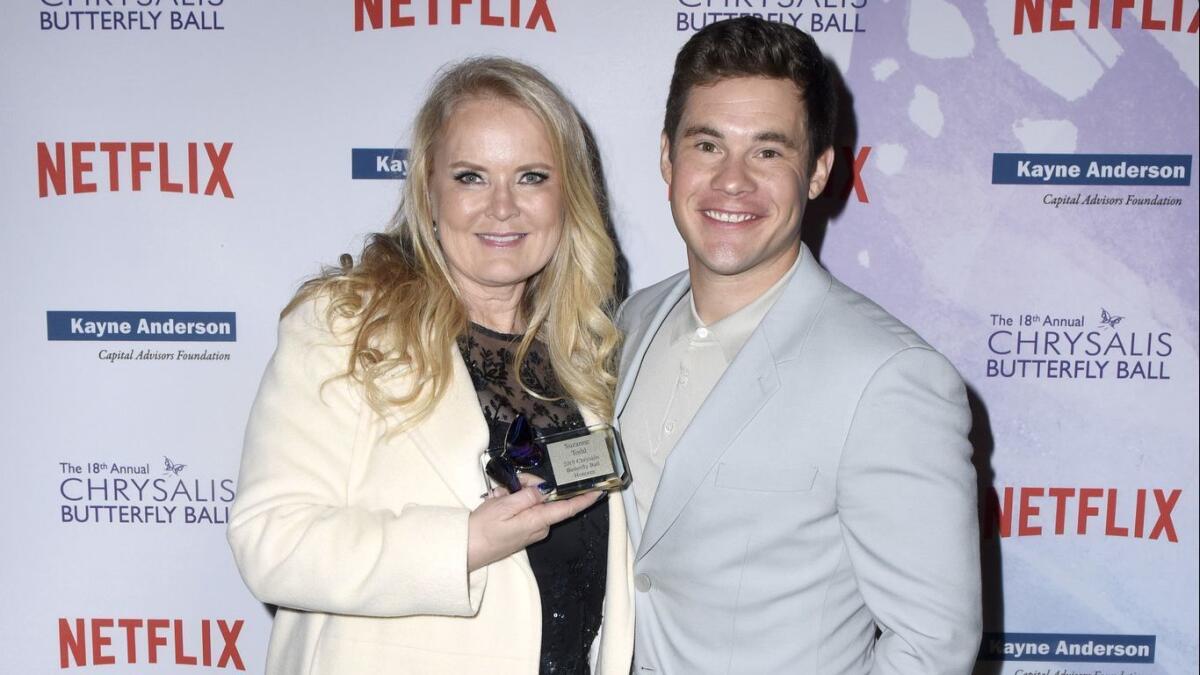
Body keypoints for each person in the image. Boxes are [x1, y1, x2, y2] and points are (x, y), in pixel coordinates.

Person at [228, 57, 633, 675]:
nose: (503, 207)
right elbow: (271, 542)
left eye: (530, 177)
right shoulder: (346, 326)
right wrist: (462, 544)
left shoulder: (589, 348)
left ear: (568, 195)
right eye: (471, 176)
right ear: (429, 192)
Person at [615, 17, 981, 674]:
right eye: (708, 145)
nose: (732, 181)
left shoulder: (889, 377)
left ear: (817, 172)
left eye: (769, 150)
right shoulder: (628, 324)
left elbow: (932, 646)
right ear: (668, 158)